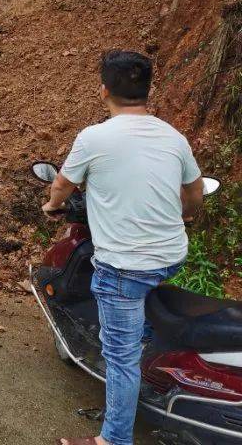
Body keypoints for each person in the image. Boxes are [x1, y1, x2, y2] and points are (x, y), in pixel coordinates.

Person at [43, 50, 205, 445]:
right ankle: (145, 335)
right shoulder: (173, 136)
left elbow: (63, 185)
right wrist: (185, 215)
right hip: (171, 257)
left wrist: (51, 205)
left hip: (124, 268)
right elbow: (195, 193)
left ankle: (113, 439)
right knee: (138, 295)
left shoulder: (94, 138)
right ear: (148, 90)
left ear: (104, 91)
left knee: (120, 357)